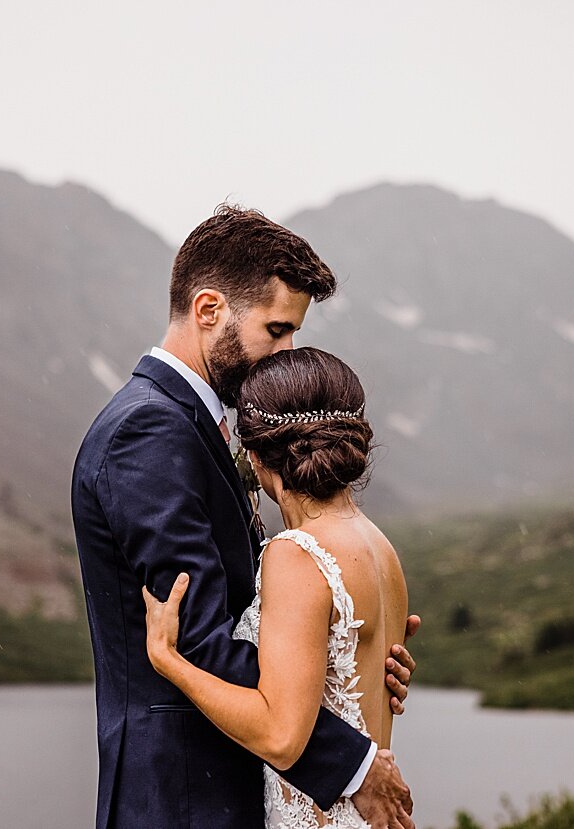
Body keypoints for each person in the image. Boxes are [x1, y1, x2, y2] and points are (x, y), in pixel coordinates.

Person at [70, 204, 419, 828]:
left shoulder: (191, 424)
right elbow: (201, 641)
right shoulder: (146, 433)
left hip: (228, 786)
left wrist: (350, 654)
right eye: (276, 330)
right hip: (181, 798)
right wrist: (352, 761)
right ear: (209, 311)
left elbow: (250, 619)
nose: (285, 353)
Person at [145, 347, 408, 828]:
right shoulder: (379, 547)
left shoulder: (297, 553)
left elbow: (282, 738)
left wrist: (171, 662)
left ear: (255, 453)